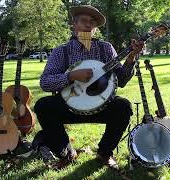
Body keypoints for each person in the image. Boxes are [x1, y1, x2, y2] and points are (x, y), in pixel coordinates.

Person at [33, 5, 144, 170]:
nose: (88, 25)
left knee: (123, 106)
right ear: (74, 24)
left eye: (92, 22)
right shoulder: (61, 51)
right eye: (84, 21)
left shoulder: (106, 49)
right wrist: (71, 76)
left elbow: (121, 80)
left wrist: (130, 59)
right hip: (69, 105)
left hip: (101, 105)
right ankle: (66, 153)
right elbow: (45, 82)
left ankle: (105, 153)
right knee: (43, 105)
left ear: (95, 29)